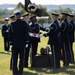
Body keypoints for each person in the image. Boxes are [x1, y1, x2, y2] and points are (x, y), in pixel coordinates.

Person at [10, 10, 29, 75]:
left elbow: (10, 34)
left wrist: (11, 42)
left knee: (14, 58)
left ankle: (15, 72)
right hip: (22, 43)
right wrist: (27, 42)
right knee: (21, 59)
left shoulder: (12, 24)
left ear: (15, 16)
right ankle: (20, 72)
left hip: (15, 43)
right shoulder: (24, 23)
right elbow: (26, 33)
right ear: (20, 16)